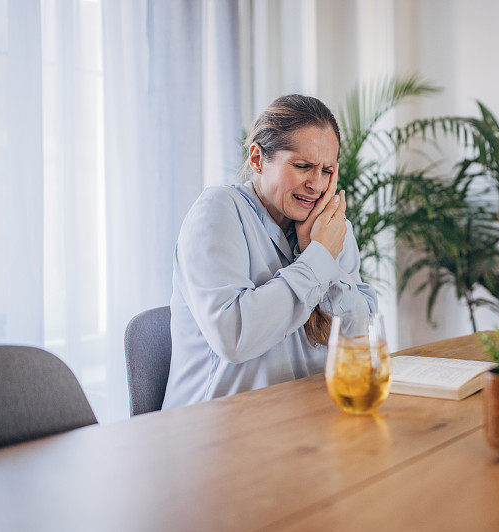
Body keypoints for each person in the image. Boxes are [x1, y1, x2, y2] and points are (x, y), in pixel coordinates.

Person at [162, 94, 378, 409]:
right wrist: (319, 258)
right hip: (216, 432)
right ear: (257, 159)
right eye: (303, 166)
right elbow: (234, 337)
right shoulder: (218, 211)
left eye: (328, 171)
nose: (316, 185)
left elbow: (361, 337)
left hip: (305, 420)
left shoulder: (328, 227)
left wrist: (322, 256)